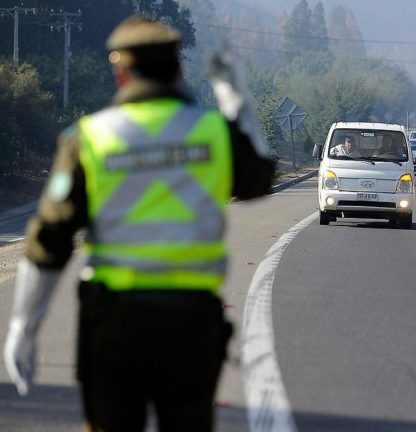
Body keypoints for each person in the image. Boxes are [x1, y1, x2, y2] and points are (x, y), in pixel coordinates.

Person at [3, 14, 275, 432]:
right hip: (191, 323)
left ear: (120, 74)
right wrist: (237, 102)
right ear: (178, 70)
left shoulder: (90, 138)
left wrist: (24, 326)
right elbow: (260, 179)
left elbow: (49, 240)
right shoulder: (214, 134)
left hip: (115, 322)